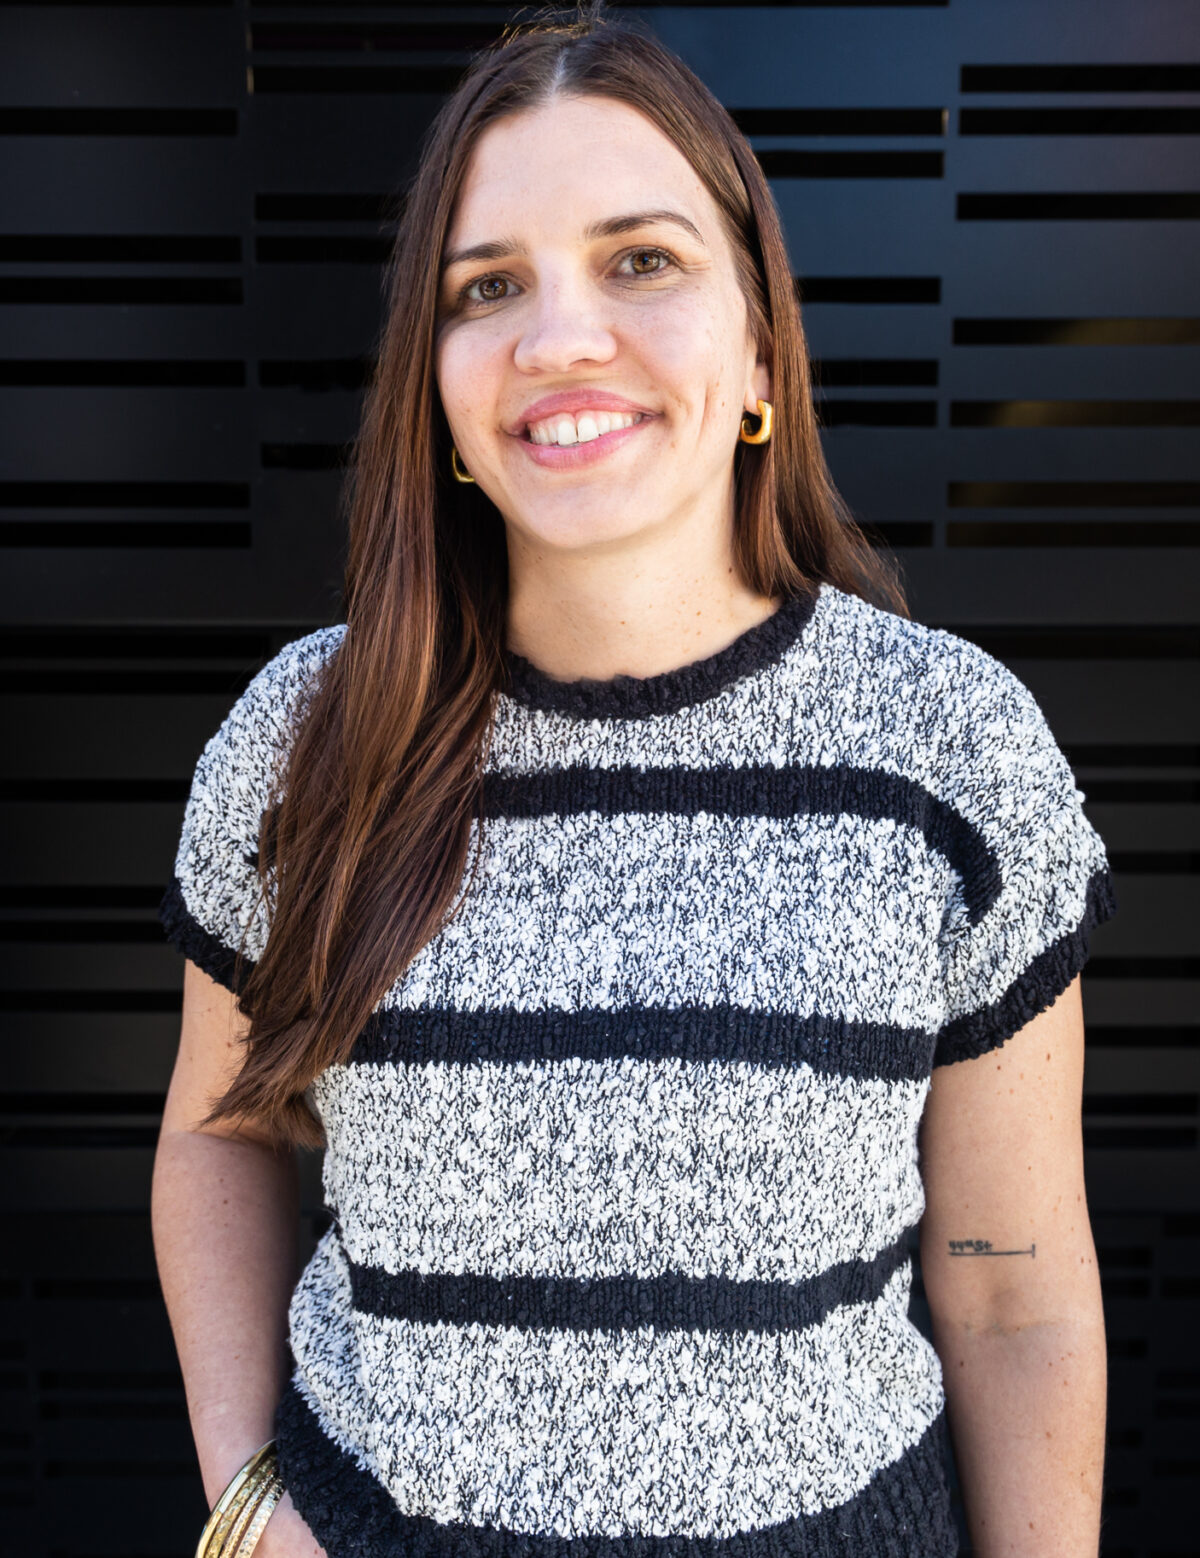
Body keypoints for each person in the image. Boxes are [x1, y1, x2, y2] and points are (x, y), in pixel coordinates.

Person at [151, 5, 1116, 1556]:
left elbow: (1013, 1289)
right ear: (441, 391)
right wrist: (243, 1496)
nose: (558, 337)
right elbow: (223, 1132)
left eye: (641, 259)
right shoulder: (306, 737)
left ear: (757, 346)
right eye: (489, 287)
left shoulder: (951, 750)